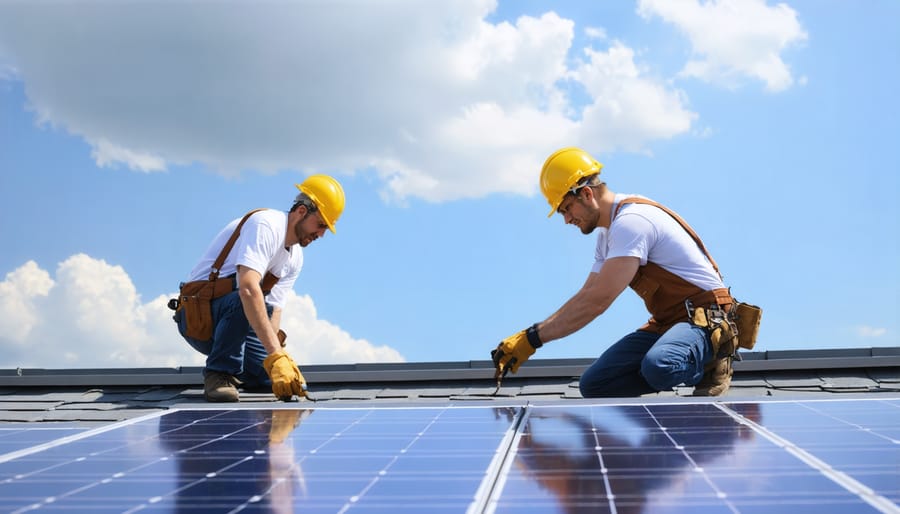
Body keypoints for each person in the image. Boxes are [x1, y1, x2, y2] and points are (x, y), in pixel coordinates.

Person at [491, 148, 738, 397]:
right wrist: (529, 333)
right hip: (669, 323)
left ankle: (712, 359)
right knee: (596, 384)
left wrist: (533, 340)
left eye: (566, 208)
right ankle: (663, 385)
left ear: (586, 194)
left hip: (706, 319)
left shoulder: (632, 222)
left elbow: (597, 301)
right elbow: (586, 294)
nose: (566, 219)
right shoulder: (607, 236)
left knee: (661, 366)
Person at [173, 174, 345, 402]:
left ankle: (246, 372)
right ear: (302, 211)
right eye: (321, 224)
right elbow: (247, 288)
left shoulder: (295, 258)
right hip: (199, 319)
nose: (321, 234)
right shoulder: (266, 225)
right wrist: (275, 355)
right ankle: (219, 374)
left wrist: (278, 360)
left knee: (268, 379)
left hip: (235, 324)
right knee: (244, 297)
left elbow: (273, 310)